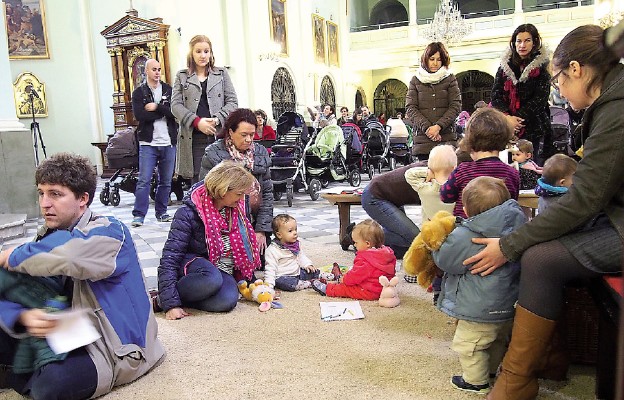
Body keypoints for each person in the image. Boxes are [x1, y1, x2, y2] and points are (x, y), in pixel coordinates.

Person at [465, 25, 623, 400]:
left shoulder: (616, 110)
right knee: (543, 239)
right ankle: (548, 359)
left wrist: (509, 245)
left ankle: (517, 381)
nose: (560, 90)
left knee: (540, 258)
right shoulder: (611, 101)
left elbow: (586, 199)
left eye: (559, 80)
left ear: (577, 69)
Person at [0, 153, 165, 399]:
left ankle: (17, 372)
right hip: (68, 330)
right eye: (41, 193)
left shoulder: (112, 231)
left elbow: (71, 255)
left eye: (55, 194)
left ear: (83, 199)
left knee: (50, 387)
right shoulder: (46, 237)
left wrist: (12, 255)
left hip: (114, 348)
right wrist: (23, 316)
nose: (44, 203)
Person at [434, 176, 527, 394]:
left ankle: (476, 381)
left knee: (470, 345)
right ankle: (491, 371)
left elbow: (446, 261)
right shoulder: (520, 229)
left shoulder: (466, 236)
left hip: (478, 306)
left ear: (466, 210)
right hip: (509, 303)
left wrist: (436, 246)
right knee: (496, 340)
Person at [157, 160, 261, 320]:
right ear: (223, 190)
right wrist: (171, 303)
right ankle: (163, 299)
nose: (242, 199)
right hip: (192, 265)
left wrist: (255, 288)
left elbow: (241, 251)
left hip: (219, 267)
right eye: (239, 194)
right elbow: (170, 259)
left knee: (227, 301)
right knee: (211, 278)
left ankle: (189, 295)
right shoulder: (187, 213)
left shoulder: (236, 209)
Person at [199, 108, 273, 254]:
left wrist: (261, 230)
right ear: (231, 132)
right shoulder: (213, 154)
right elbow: (205, 197)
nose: (249, 140)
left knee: (267, 258)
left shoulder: (260, 153)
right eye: (244, 135)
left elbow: (267, 194)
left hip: (253, 221)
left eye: (252, 135)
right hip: (225, 225)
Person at [172, 34, 238, 183]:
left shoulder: (221, 74)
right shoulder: (182, 76)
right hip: (193, 138)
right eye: (198, 51)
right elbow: (175, 105)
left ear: (211, 53)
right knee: (198, 182)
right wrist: (197, 122)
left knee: (222, 180)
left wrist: (217, 119)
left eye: (206, 51)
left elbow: (232, 102)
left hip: (218, 135)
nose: (203, 55)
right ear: (191, 53)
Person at [440, 107, 520, 219]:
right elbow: (512, 204)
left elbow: (445, 196)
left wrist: (445, 176)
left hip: (466, 231)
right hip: (500, 232)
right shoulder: (512, 173)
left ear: (470, 140)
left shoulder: (463, 170)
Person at [491, 24, 554, 164]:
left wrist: (517, 120)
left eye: (527, 40)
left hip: (534, 127)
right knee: (509, 167)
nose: (522, 45)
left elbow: (540, 99)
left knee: (532, 166)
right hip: (506, 128)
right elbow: (496, 96)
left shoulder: (542, 67)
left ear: (535, 42)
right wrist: (507, 118)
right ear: (514, 43)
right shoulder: (504, 67)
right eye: (519, 41)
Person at [131, 58, 178, 227]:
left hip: (168, 142)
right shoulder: (139, 93)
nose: (157, 72)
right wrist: (163, 110)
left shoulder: (169, 90)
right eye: (154, 69)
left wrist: (157, 107)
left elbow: (174, 112)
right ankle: (139, 215)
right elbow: (140, 116)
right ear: (146, 71)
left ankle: (162, 212)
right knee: (144, 180)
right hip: (148, 143)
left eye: (159, 69)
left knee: (165, 180)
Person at [403, 145, 457, 288]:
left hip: (429, 235)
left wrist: (431, 171)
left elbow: (409, 174)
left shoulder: (424, 188)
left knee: (429, 260)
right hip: (454, 233)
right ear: (454, 168)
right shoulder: (458, 189)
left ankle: (432, 283)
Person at [312, 220, 396, 300]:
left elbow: (355, 276)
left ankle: (328, 289)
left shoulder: (365, 259)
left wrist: (344, 279)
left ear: (367, 244)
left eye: (356, 242)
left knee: (345, 289)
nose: (354, 245)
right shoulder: (387, 253)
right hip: (385, 289)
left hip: (370, 291)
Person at [406, 42, 462, 160]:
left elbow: (455, 106)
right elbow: (411, 108)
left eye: (439, 59)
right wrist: (427, 129)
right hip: (423, 141)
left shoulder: (450, 79)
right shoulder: (415, 80)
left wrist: (438, 127)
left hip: (446, 139)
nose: (435, 63)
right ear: (425, 59)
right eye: (432, 59)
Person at [361, 162, 423, 259]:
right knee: (418, 241)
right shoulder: (435, 171)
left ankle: (375, 246)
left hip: (393, 198)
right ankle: (359, 237)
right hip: (375, 196)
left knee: (415, 246)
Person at [264, 214, 335, 291]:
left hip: (297, 272)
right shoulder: (272, 250)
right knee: (284, 283)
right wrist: (269, 287)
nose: (295, 233)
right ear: (279, 235)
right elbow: (270, 269)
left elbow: (301, 256)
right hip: (282, 276)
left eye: (295, 229)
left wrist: (307, 264)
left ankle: (320, 275)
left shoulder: (296, 245)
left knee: (309, 271)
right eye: (290, 231)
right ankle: (307, 283)